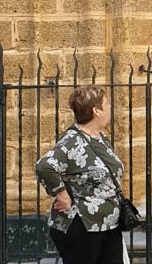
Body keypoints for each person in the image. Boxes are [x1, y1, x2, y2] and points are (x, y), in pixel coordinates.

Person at [36, 85, 125, 264]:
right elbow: (44, 166)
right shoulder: (73, 140)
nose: (110, 108)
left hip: (108, 225)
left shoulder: (99, 137)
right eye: (106, 104)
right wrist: (62, 194)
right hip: (83, 226)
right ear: (96, 111)